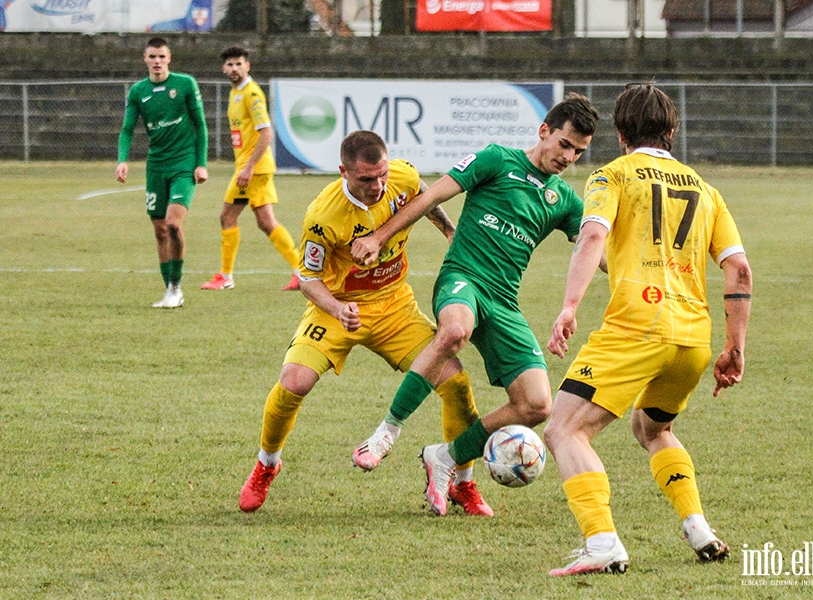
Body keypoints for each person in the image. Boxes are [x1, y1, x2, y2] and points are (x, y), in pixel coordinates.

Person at [351, 93, 600, 516]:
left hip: (503, 300)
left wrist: (644, 269)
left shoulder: (564, 200)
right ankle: (387, 431)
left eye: (578, 151)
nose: (569, 157)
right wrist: (378, 237)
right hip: (463, 279)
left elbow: (594, 250)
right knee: (454, 331)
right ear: (544, 132)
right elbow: (431, 198)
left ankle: (445, 457)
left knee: (537, 404)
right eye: (564, 144)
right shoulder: (495, 160)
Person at [542, 83, 753, 576]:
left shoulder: (612, 175)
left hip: (637, 326)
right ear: (672, 132)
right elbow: (739, 270)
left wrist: (570, 305)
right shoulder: (706, 190)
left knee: (564, 429)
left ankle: (602, 542)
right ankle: (698, 527)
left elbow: (593, 233)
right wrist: (734, 347)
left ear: (619, 135)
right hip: (692, 338)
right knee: (652, 428)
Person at [239, 130, 493, 516]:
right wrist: (337, 309)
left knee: (455, 381)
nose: (378, 186)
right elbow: (307, 277)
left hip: (394, 307)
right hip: (338, 308)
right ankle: (267, 464)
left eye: (382, 175)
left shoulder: (403, 176)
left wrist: (447, 228)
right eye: (366, 179)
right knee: (294, 381)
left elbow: (423, 195)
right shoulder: (323, 216)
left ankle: (462, 482)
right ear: (343, 172)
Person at [116, 37, 209, 308]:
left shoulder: (185, 84)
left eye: (161, 57)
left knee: (173, 223)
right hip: (156, 166)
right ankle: (169, 290)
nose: (157, 61)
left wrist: (200, 163)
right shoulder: (137, 92)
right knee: (159, 231)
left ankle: (176, 286)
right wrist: (123, 160)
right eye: (152, 57)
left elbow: (200, 125)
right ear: (145, 59)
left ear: (169, 58)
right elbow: (126, 129)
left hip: (184, 164)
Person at [201, 46, 302, 292]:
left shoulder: (252, 94)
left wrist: (248, 168)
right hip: (255, 168)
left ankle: (226, 277)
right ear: (223, 68)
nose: (234, 68)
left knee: (227, 216)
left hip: (253, 170)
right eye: (230, 64)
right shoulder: (236, 92)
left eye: (238, 64)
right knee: (266, 222)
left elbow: (266, 133)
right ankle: (302, 272)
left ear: (248, 66)